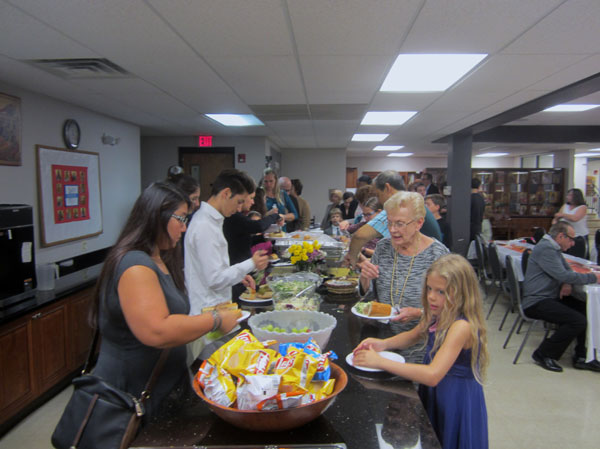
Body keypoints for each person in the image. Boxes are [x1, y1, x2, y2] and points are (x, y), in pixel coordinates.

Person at [89, 182, 240, 425]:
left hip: (162, 387)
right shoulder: (135, 265)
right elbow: (157, 330)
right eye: (180, 219)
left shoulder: (159, 256)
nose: (184, 227)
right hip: (132, 395)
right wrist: (215, 320)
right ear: (155, 217)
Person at [353, 254, 489, 449]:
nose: (432, 296)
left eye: (441, 292)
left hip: (454, 397)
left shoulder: (461, 327)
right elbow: (413, 335)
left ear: (461, 294)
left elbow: (433, 375)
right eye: (429, 289)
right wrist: (382, 345)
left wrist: (380, 362)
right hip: (437, 393)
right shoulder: (438, 312)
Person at [358, 192, 449, 363]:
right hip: (383, 343)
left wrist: (420, 313)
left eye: (400, 224)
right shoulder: (383, 247)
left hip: (423, 348)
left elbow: (453, 309)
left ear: (419, 223)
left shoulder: (438, 256)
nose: (392, 230)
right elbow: (369, 296)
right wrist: (365, 278)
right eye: (389, 223)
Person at [185, 169, 269, 316]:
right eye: (239, 202)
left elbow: (213, 268)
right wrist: (251, 263)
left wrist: (239, 275)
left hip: (216, 309)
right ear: (226, 193)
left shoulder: (212, 221)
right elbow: (215, 279)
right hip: (208, 314)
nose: (239, 208)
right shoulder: (205, 225)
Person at [522, 221, 600, 373]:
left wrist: (566, 282)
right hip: (537, 301)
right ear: (560, 236)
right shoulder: (547, 249)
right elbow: (564, 274)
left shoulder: (553, 247)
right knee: (577, 321)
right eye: (571, 239)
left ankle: (582, 355)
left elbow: (565, 270)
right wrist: (594, 277)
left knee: (585, 309)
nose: (572, 244)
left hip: (549, 296)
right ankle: (544, 353)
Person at [345, 170, 442, 265]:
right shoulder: (411, 203)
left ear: (387, 188)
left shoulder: (399, 206)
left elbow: (360, 236)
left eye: (378, 195)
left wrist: (352, 260)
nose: (378, 200)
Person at [223, 188, 284, 298]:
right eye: (251, 198)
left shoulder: (236, 217)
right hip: (237, 270)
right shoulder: (234, 217)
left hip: (241, 271)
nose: (253, 202)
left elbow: (245, 241)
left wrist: (265, 239)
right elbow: (258, 226)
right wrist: (275, 216)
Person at [553, 188, 589, 258]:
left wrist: (563, 215)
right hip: (566, 236)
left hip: (578, 236)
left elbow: (575, 218)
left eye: (570, 195)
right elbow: (557, 216)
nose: (567, 197)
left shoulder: (582, 207)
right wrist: (555, 223)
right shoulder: (565, 206)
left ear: (576, 196)